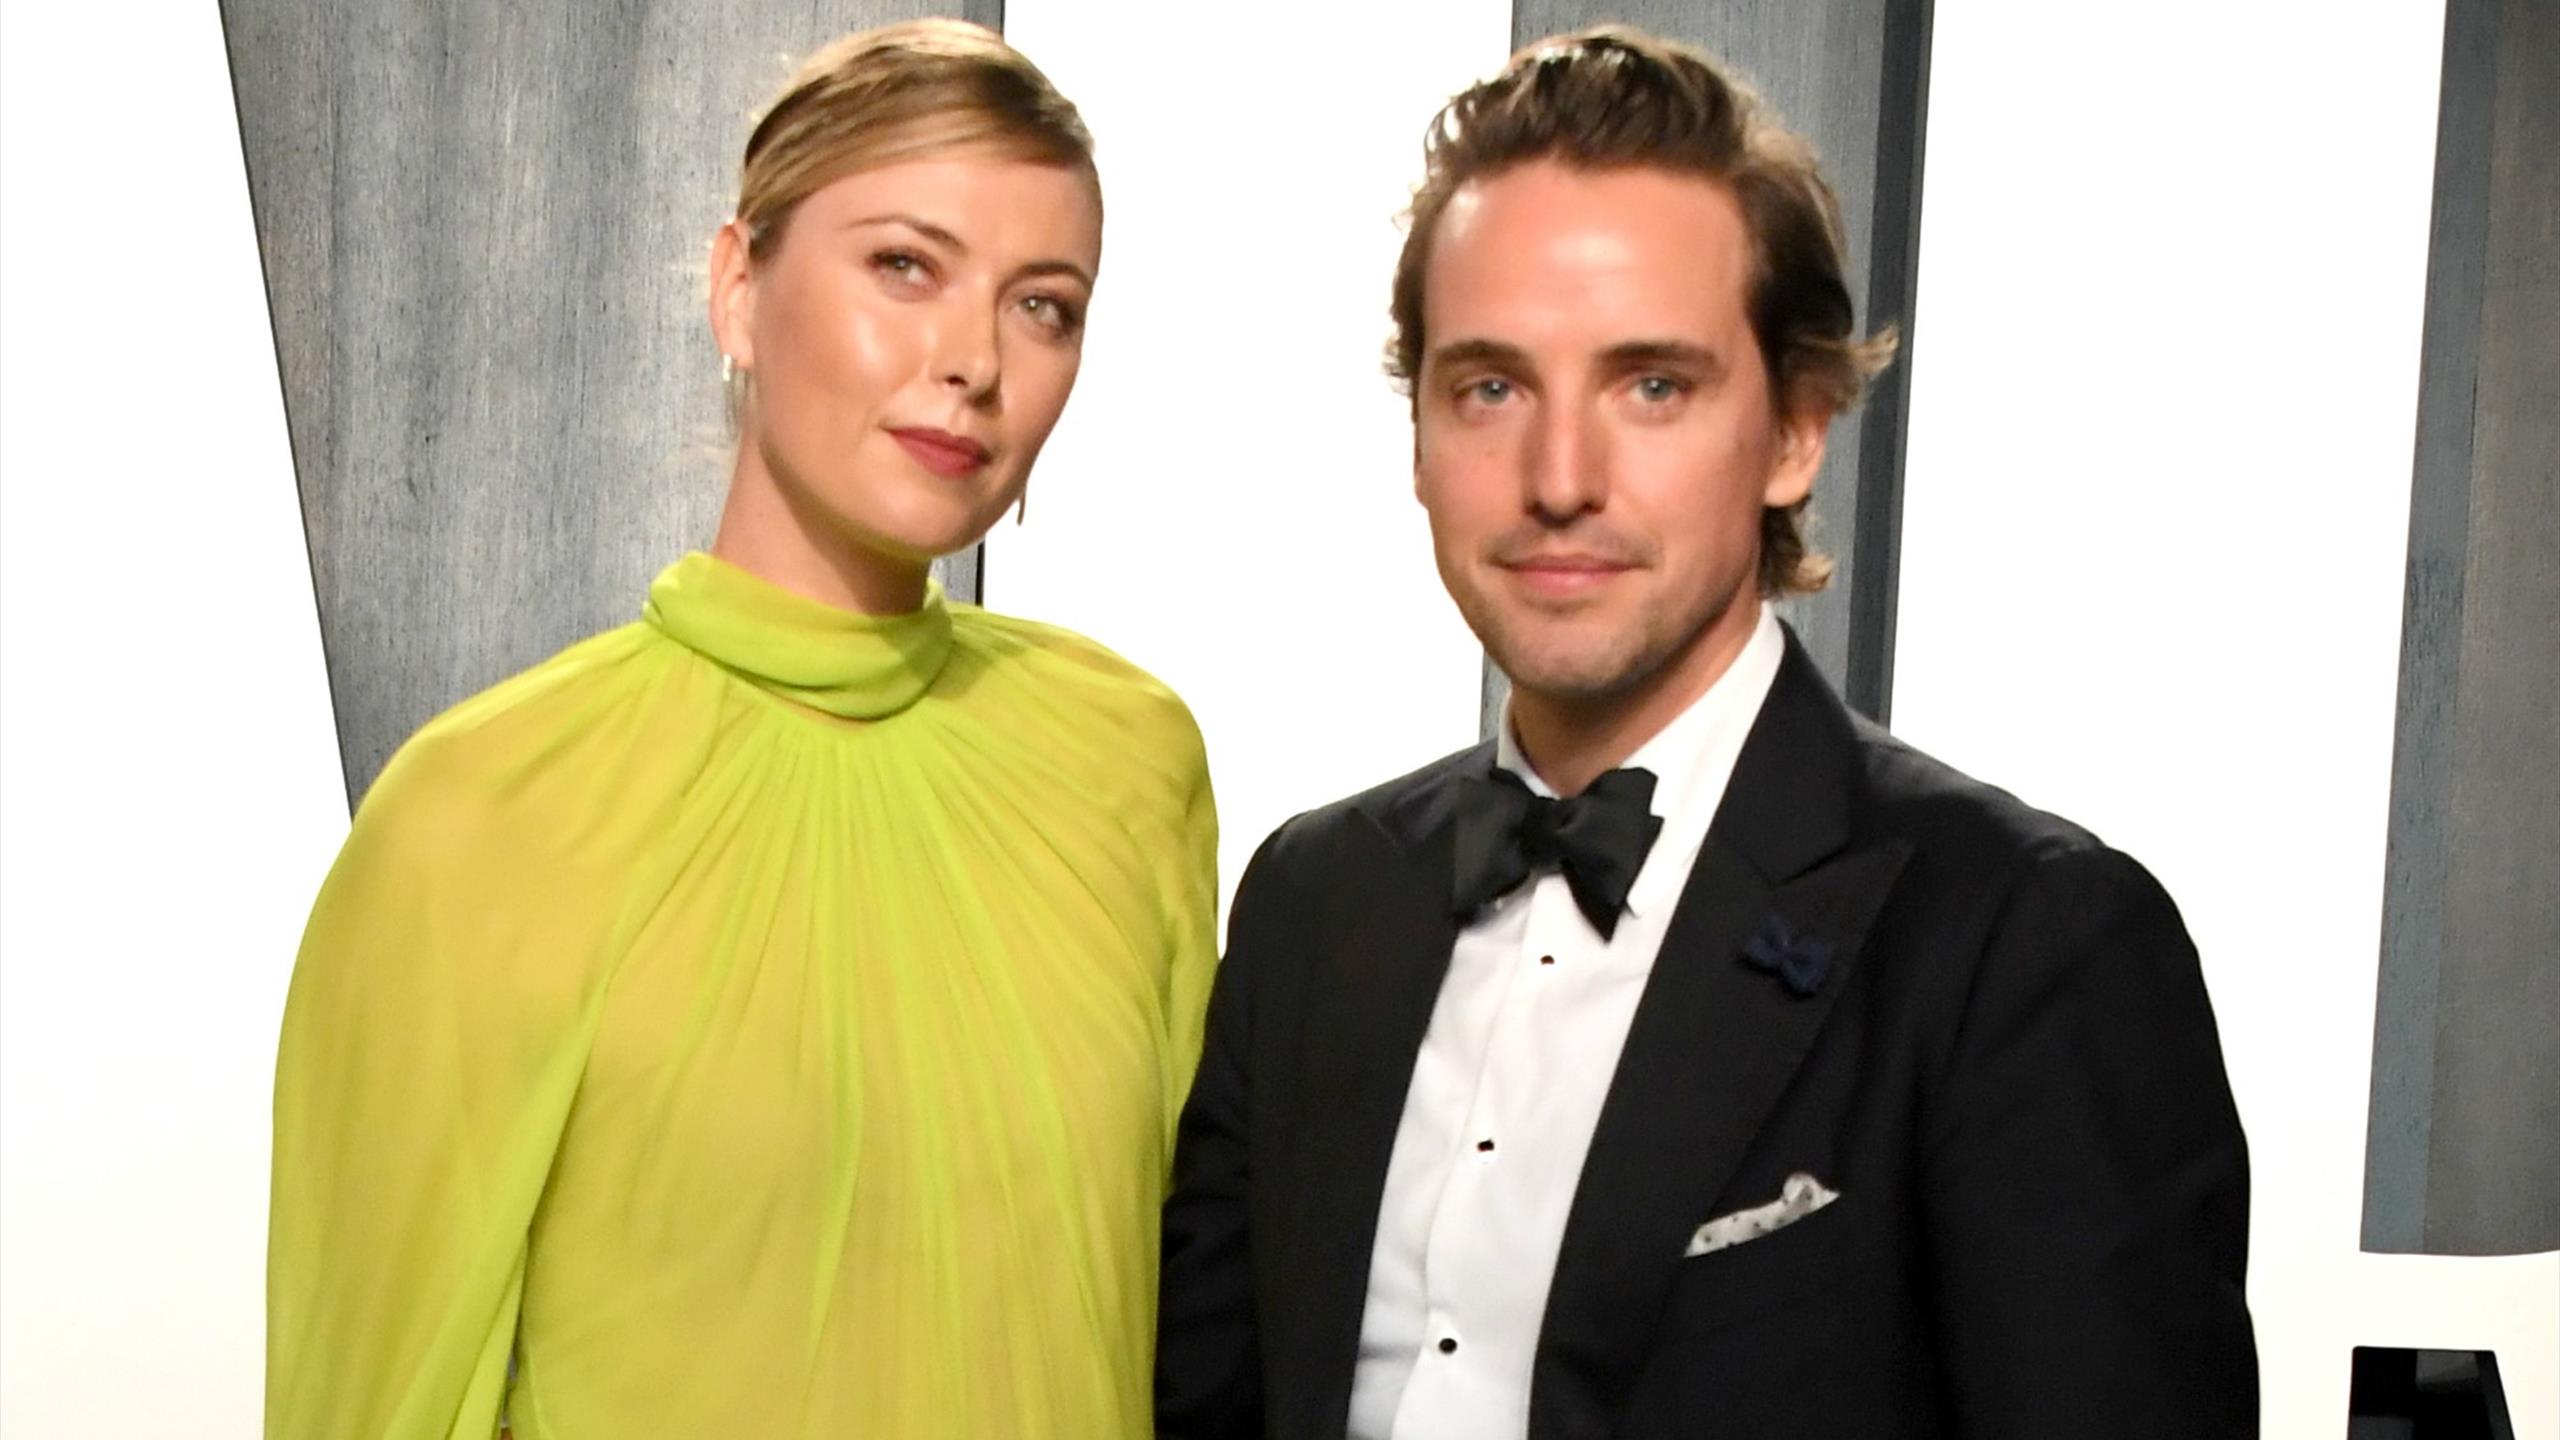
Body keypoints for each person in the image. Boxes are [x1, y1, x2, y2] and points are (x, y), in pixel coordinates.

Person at [1157, 26, 2255, 1439]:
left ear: (1796, 431)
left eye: (1652, 386)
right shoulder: (1315, 897)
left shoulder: (2026, 939)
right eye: (1491, 387)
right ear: (1419, 434)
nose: (1560, 478)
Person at [267, 21, 1216, 1438]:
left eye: (1043, 306)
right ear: (737, 288)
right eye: (906, 266)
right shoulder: (481, 814)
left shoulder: (1125, 761)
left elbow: (1183, 1338)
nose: (973, 360)